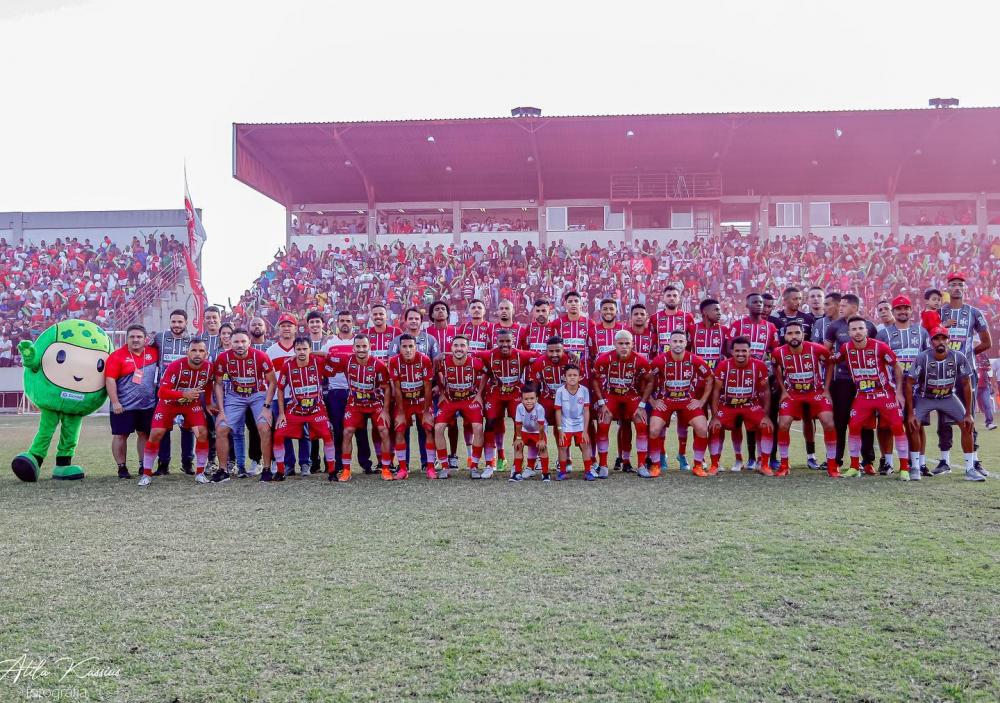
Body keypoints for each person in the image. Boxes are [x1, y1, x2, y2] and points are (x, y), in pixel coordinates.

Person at [831, 316, 910, 478]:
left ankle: (904, 469)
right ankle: (854, 467)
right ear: (849, 332)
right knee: (853, 426)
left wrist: (899, 392)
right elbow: (833, 359)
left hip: (884, 394)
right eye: (854, 329)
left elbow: (897, 366)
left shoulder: (880, 347)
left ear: (866, 330)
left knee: (896, 426)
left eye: (861, 328)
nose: (857, 332)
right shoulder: (846, 348)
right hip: (863, 396)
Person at [905, 327, 984, 482]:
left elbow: (967, 384)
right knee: (913, 424)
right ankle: (915, 467)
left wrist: (968, 413)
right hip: (924, 397)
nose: (940, 342)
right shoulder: (922, 357)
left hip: (948, 396)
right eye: (936, 338)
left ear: (949, 340)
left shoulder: (958, 357)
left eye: (943, 338)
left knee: (968, 425)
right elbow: (909, 383)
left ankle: (970, 469)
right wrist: (910, 413)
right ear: (930, 341)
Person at [935, 272, 992, 476]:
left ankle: (974, 461)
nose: (957, 287)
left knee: (968, 415)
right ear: (948, 289)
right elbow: (929, 340)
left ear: (964, 288)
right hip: (943, 372)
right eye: (953, 284)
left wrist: (967, 356)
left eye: (960, 284)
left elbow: (987, 342)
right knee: (944, 414)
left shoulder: (975, 313)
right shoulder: (939, 313)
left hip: (967, 373)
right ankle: (944, 461)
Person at [138, 339, 216, 486]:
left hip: (191, 404)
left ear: (206, 354)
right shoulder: (176, 366)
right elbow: (162, 392)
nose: (197, 354)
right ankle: (146, 474)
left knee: (202, 433)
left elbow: (209, 384)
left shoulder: (209, 368)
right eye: (193, 350)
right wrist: (183, 394)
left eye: (201, 351)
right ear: (187, 352)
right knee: (156, 433)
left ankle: (200, 473)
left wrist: (209, 402)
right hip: (169, 403)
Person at [772, 321, 840, 477]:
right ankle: (784, 465)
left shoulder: (817, 349)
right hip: (792, 394)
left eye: (797, 333)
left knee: (828, 423)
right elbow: (775, 366)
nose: (794, 336)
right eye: (790, 333)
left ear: (803, 334)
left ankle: (832, 466)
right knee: (783, 424)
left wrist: (826, 389)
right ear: (785, 336)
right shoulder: (778, 353)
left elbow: (830, 364)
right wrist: (782, 390)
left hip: (815, 392)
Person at [323, 334, 393, 481]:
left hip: (374, 403)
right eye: (358, 346)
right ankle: (346, 470)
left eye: (364, 346)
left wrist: (385, 411)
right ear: (353, 347)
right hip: (355, 403)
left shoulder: (379, 364)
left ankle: (386, 468)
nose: (361, 349)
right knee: (347, 431)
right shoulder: (346, 360)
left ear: (370, 347)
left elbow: (387, 388)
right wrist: (309, 353)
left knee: (384, 430)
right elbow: (326, 355)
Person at [644, 329, 713, 476]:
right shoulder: (659, 361)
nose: (678, 344)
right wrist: (652, 400)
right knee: (654, 430)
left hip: (687, 401)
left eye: (681, 341)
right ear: (669, 343)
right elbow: (646, 379)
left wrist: (701, 401)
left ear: (686, 343)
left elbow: (710, 378)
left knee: (702, 428)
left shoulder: (694, 359)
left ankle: (698, 465)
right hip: (666, 401)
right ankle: (656, 465)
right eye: (675, 341)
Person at [876, 295, 930, 475]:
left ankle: (920, 463)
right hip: (891, 387)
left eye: (906, 308)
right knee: (886, 425)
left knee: (916, 424)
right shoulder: (884, 333)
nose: (902, 311)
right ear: (894, 311)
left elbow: (927, 358)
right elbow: (878, 361)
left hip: (916, 388)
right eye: (899, 308)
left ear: (911, 310)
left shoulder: (921, 332)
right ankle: (888, 462)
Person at [212, 328, 275, 481]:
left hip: (258, 394)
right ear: (230, 342)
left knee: (264, 427)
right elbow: (218, 384)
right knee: (221, 428)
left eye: (243, 341)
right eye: (236, 341)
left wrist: (266, 407)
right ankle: (223, 470)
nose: (240, 345)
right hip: (236, 396)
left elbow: (273, 381)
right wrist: (221, 410)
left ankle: (266, 469)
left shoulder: (261, 356)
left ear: (249, 342)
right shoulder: (223, 358)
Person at [825, 294, 878, 470]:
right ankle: (837, 461)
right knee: (840, 421)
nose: (840, 308)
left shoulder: (869, 326)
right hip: (842, 381)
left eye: (845, 305)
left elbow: (875, 350)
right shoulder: (834, 326)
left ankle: (868, 461)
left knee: (866, 421)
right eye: (840, 305)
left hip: (866, 382)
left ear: (855, 307)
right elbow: (827, 355)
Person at [726, 293, 778, 471]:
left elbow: (775, 351)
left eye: (761, 303)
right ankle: (742, 458)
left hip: (761, 379)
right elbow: (728, 349)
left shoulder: (771, 327)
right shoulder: (737, 325)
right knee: (738, 420)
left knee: (759, 418)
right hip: (739, 379)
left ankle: (759, 459)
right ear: (747, 305)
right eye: (755, 302)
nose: (759, 305)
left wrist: (771, 370)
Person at [708, 337, 774, 475]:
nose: (740, 354)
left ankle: (764, 464)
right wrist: (714, 417)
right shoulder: (723, 365)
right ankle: (714, 464)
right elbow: (716, 391)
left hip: (750, 405)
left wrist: (766, 415)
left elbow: (766, 391)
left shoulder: (759, 365)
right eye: (737, 351)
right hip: (728, 405)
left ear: (750, 351)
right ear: (732, 351)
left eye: (744, 351)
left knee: (766, 425)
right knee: (714, 427)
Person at [591, 330, 651, 479]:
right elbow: (595, 380)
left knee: (641, 422)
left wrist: (642, 404)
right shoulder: (604, 358)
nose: (624, 346)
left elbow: (650, 380)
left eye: (627, 343)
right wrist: (601, 403)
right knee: (604, 420)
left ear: (632, 345)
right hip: (611, 395)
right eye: (621, 343)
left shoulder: (640, 360)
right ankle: (603, 465)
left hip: (631, 395)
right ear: (615, 344)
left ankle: (642, 465)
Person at [105, 324, 158, 479]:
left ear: (145, 339)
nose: (135, 340)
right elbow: (110, 380)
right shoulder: (117, 356)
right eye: (132, 337)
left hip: (147, 405)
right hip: (123, 406)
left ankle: (144, 466)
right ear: (127, 338)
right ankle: (122, 468)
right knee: (121, 435)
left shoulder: (154, 352)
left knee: (144, 434)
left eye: (139, 337)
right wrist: (115, 402)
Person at [479, 329, 536, 475]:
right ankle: (489, 464)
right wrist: (442, 356)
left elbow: (542, 356)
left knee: (519, 424)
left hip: (515, 392)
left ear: (513, 341)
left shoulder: (521, 354)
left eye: (508, 341)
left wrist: (568, 354)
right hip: (495, 392)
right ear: (496, 342)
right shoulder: (489, 354)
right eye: (501, 341)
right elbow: (468, 354)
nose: (505, 344)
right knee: (490, 423)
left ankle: (517, 464)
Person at [433, 335, 488, 478]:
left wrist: (479, 394)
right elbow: (436, 373)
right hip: (450, 400)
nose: (459, 348)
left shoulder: (475, 362)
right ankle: (445, 467)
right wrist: (442, 392)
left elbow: (486, 374)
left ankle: (474, 466)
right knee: (438, 428)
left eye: (462, 345)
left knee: (477, 427)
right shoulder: (443, 362)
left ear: (467, 348)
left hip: (469, 399)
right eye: (456, 345)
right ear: (451, 348)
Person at [267, 313, 311, 475]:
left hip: (300, 396)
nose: (286, 328)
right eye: (283, 325)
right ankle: (289, 463)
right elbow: (269, 377)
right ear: (279, 329)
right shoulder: (271, 350)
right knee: (283, 430)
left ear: (295, 328)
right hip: (280, 396)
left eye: (289, 325)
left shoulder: (302, 347)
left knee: (304, 430)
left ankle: (305, 463)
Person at [151, 309, 193, 475]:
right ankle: (163, 464)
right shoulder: (160, 338)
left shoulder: (192, 340)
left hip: (186, 393)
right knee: (164, 428)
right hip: (165, 392)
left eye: (180, 322)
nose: (176, 325)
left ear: (186, 323)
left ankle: (187, 462)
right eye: (173, 322)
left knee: (187, 428)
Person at [388, 333, 435, 480]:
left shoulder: (425, 360)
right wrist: (401, 412)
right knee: (400, 429)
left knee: (428, 428)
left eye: (410, 346)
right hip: (405, 401)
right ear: (400, 348)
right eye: (404, 347)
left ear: (416, 347)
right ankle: (402, 468)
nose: (408, 350)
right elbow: (397, 387)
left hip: (421, 400)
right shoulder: (394, 361)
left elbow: (428, 387)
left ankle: (430, 468)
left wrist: (427, 411)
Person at [323, 311, 356, 477]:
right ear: (337, 323)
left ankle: (366, 463)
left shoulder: (359, 341)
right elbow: (322, 361)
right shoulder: (330, 342)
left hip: (356, 390)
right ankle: (338, 463)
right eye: (342, 320)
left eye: (348, 321)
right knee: (338, 428)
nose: (345, 323)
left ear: (353, 323)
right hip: (336, 391)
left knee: (360, 429)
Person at [554, 364, 593, 480]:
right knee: (562, 447)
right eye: (569, 375)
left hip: (580, 425)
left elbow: (586, 411)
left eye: (575, 375)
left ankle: (588, 471)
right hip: (565, 425)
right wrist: (560, 430)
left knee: (585, 446)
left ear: (580, 377)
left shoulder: (584, 391)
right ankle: (562, 472)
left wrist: (585, 430)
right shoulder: (560, 391)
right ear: (564, 377)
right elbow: (558, 411)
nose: (572, 377)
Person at [509, 383, 550, 481]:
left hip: (537, 431)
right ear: (522, 399)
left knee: (543, 448)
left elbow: (541, 425)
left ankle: (545, 473)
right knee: (518, 446)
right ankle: (517, 473)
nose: (529, 401)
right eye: (526, 399)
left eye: (532, 398)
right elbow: (518, 424)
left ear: (536, 399)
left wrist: (541, 440)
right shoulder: (519, 407)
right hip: (525, 430)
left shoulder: (540, 408)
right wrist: (518, 438)